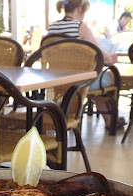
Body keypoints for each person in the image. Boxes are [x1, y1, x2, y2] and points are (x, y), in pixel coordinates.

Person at [47, 0, 125, 129]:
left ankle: (110, 119)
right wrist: (111, 59)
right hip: (79, 82)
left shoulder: (52, 27)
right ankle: (111, 119)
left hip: (57, 80)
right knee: (111, 77)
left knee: (97, 76)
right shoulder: (80, 26)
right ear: (79, 9)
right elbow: (100, 53)